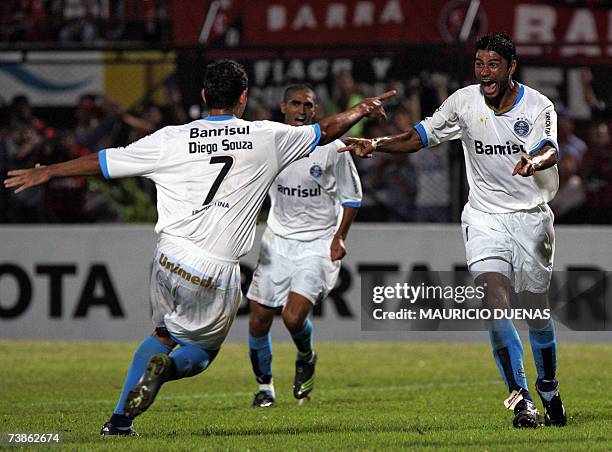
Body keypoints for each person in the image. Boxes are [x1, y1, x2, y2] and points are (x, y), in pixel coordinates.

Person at [4, 60, 395, 436]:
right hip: (214, 268)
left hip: (168, 257)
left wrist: (49, 170)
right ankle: (166, 371)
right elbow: (325, 131)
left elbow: (104, 161)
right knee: (200, 352)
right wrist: (359, 108)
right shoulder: (266, 136)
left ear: (205, 94)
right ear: (244, 97)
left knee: (162, 333)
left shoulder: (170, 138)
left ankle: (120, 421)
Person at [339, 33, 567, 429]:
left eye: (493, 64)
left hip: (530, 218)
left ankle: (548, 388)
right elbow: (418, 137)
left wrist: (533, 161)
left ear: (511, 68)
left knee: (535, 311)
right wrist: (375, 143)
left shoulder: (538, 105)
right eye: (479, 64)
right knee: (495, 304)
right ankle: (523, 402)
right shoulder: (463, 101)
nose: (484, 72)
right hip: (483, 217)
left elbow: (551, 148)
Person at [247, 84, 362, 407]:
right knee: (258, 318)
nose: (301, 110)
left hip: (318, 243)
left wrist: (340, 236)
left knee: (293, 317)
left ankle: (306, 356)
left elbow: (352, 197)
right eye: (295, 104)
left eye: (308, 105)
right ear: (282, 107)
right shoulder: (269, 145)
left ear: (316, 110)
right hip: (277, 240)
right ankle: (265, 388)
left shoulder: (331, 148)